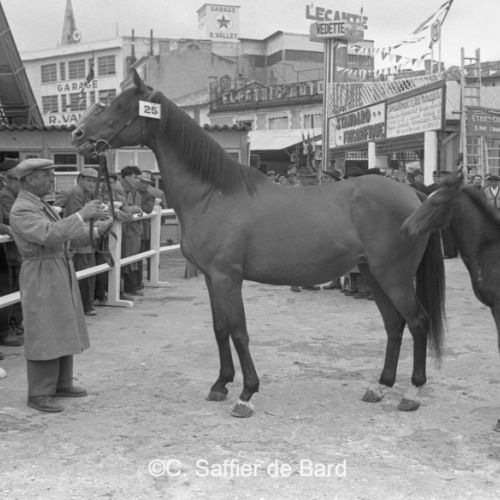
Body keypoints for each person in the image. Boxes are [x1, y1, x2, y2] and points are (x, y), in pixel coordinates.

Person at [9, 158, 111, 413]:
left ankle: (61, 383)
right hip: (41, 271)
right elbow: (48, 234)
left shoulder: (39, 204)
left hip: (56, 267)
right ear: (29, 179)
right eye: (46, 175)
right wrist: (81, 215)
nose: (51, 179)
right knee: (44, 328)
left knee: (63, 324)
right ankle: (39, 392)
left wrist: (96, 229)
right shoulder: (22, 209)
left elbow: (62, 234)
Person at [63, 168, 99, 316]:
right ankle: (84, 306)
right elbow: (77, 215)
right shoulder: (76, 193)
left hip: (85, 237)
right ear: (81, 179)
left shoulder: (87, 193)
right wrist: (98, 215)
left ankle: (87, 304)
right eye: (89, 180)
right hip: (78, 238)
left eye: (94, 181)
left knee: (88, 272)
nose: (92, 184)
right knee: (82, 272)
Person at [0, 167, 24, 347]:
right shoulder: (6, 196)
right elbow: (11, 219)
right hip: (7, 252)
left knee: (12, 288)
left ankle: (11, 325)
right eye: (17, 179)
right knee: (6, 289)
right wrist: (9, 229)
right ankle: (5, 330)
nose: (20, 184)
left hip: (10, 252)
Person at [120, 165, 144, 297]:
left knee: (129, 258)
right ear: (127, 177)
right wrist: (136, 208)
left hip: (129, 231)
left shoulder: (130, 191)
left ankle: (127, 289)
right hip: (121, 231)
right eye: (135, 177)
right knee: (122, 258)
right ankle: (120, 291)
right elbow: (124, 209)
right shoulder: (120, 188)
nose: (137, 181)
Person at [136, 171, 157, 289]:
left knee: (145, 256)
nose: (144, 185)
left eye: (147, 183)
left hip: (145, 231)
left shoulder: (150, 196)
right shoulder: (131, 192)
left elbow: (148, 209)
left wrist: (134, 207)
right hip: (132, 229)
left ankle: (143, 280)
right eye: (143, 182)